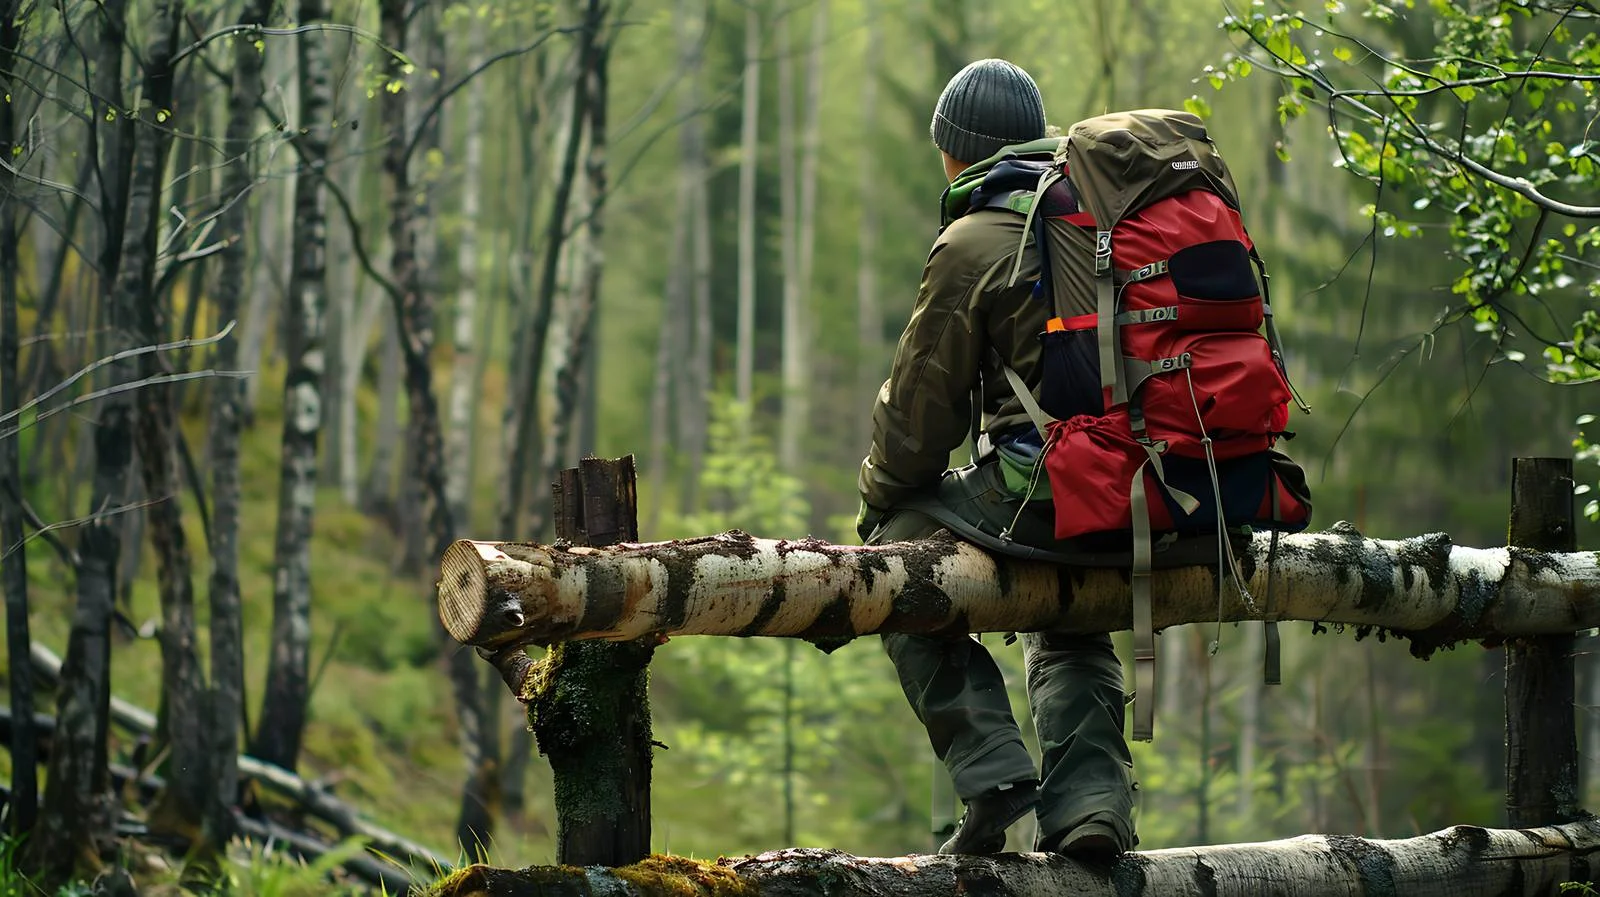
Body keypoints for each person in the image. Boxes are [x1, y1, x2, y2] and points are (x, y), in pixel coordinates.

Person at [856, 58, 1134, 861]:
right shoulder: (1105, 211)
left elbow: (916, 422)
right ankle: (1093, 808)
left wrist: (881, 497)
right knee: (1074, 618)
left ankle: (990, 774)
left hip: (1049, 491)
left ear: (956, 152)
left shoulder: (974, 238)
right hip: (1152, 490)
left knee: (894, 552)